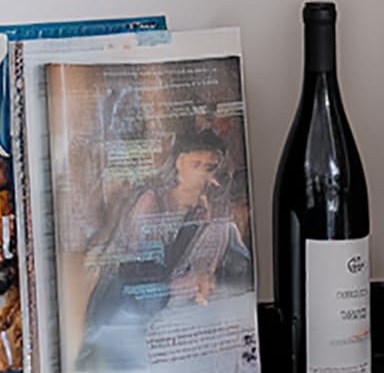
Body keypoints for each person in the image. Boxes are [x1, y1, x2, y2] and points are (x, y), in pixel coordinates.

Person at [74, 124, 255, 373]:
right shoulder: (152, 203)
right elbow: (137, 274)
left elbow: (238, 261)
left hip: (182, 321)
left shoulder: (215, 211)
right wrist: (187, 284)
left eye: (210, 167)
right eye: (196, 164)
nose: (203, 173)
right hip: (128, 316)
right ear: (179, 164)